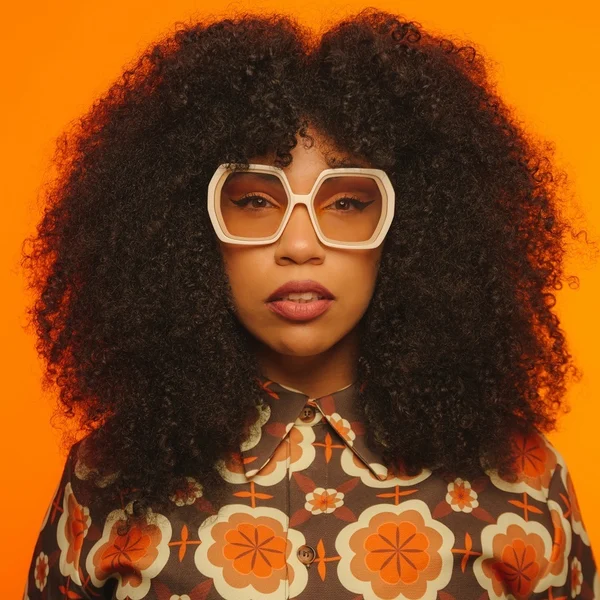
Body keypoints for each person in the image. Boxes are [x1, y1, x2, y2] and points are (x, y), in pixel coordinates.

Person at [21, 7, 598, 600]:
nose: (299, 245)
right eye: (254, 201)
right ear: (187, 229)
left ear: (416, 226)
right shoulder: (103, 482)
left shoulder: (524, 483)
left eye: (347, 203)